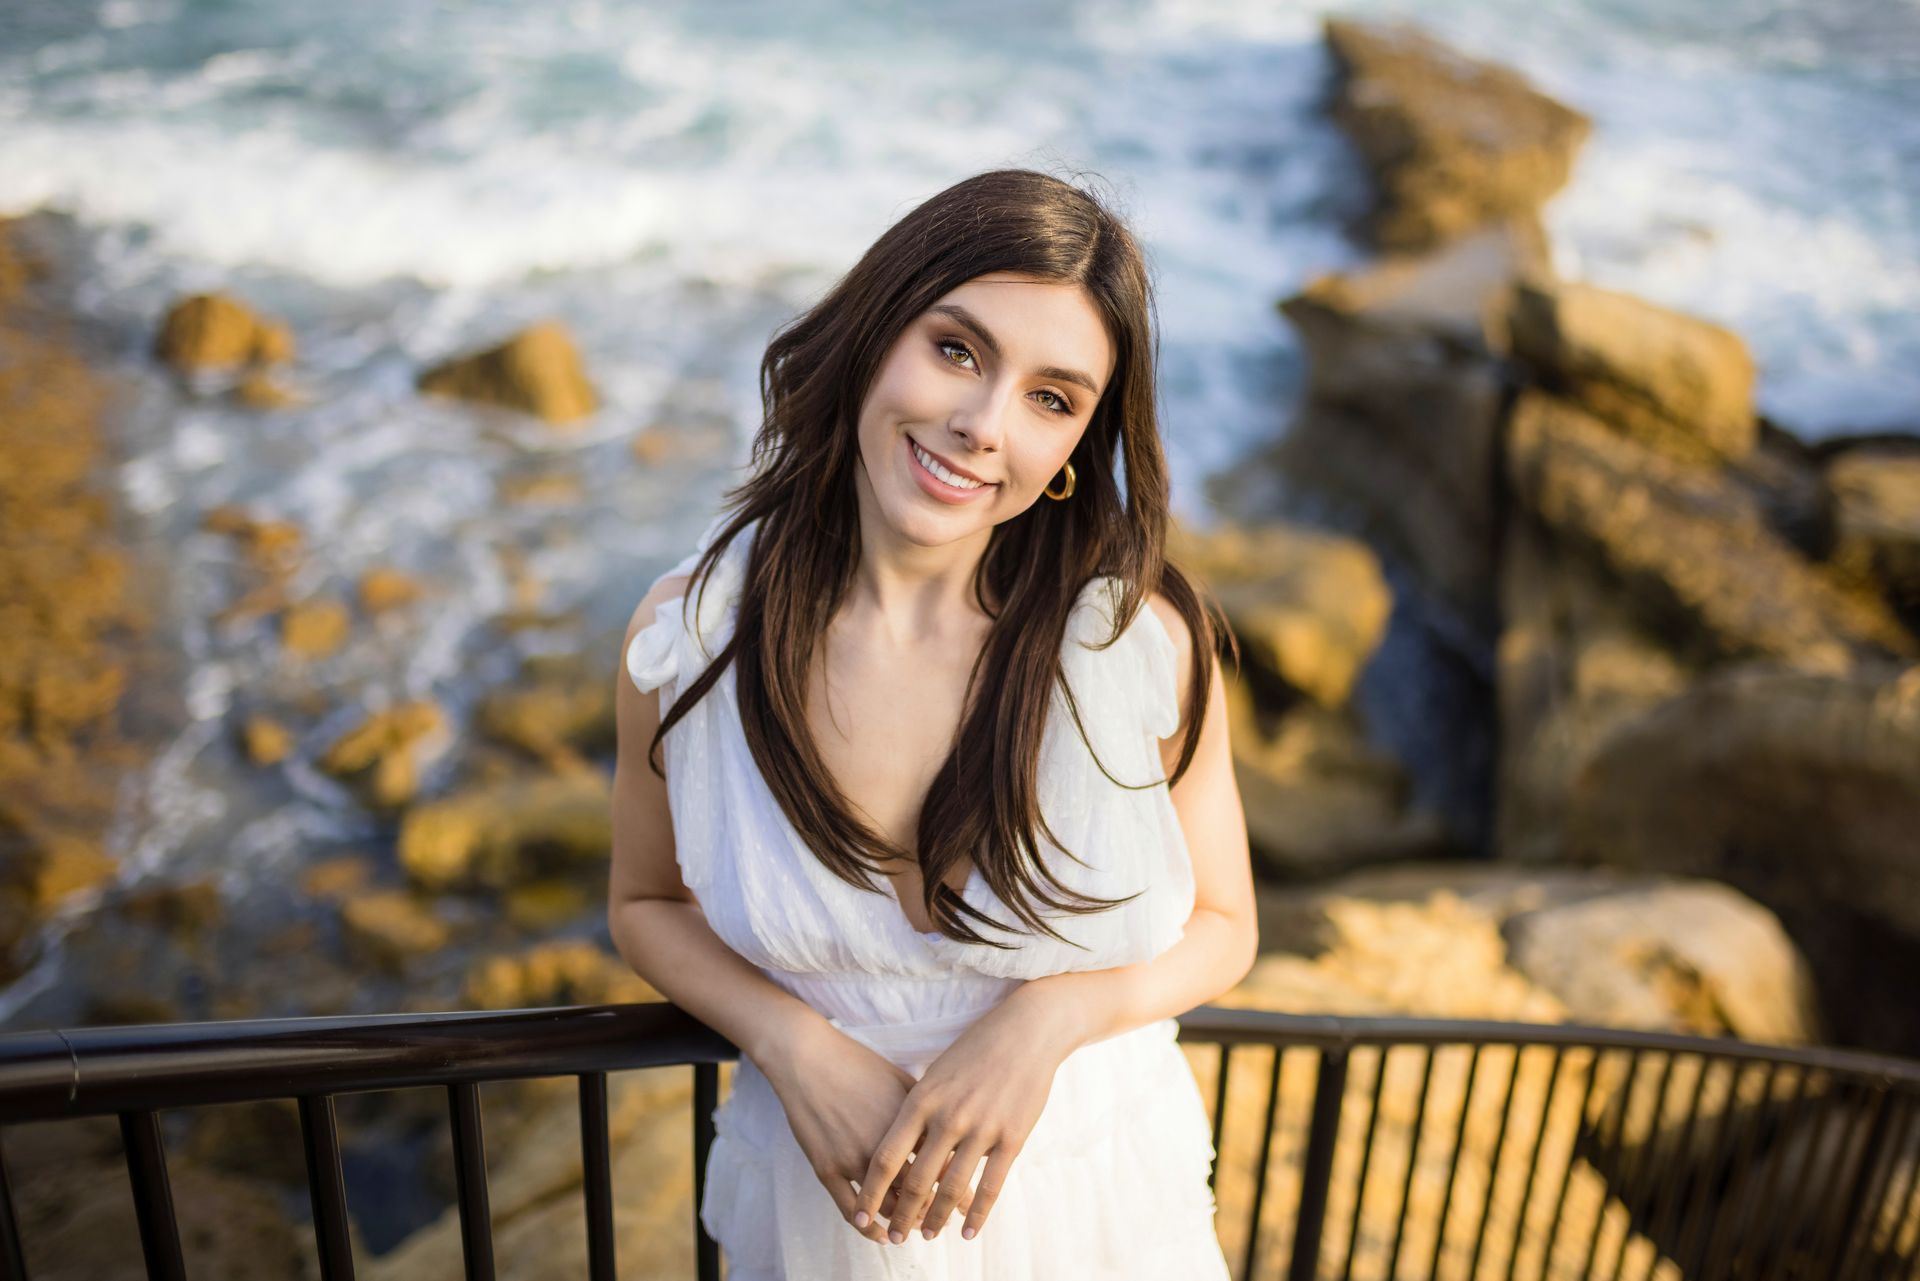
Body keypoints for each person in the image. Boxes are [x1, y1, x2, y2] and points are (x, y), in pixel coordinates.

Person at [608, 167, 1257, 1279]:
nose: (979, 425)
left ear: (1075, 451)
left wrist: (1051, 1018)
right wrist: (789, 1039)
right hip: (818, 1219)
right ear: (873, 334)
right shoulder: (693, 637)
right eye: (957, 348)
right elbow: (642, 902)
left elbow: (1226, 922)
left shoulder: (1136, 647)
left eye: (1052, 398)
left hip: (1101, 1206)